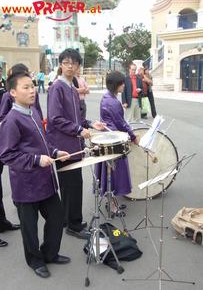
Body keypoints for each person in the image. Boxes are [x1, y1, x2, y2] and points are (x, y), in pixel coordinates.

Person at [0, 71, 70, 278]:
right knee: (29, 228)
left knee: (57, 218)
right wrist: (37, 160)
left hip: (46, 181)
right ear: (12, 92)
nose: (32, 91)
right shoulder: (11, 121)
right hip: (26, 185)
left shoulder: (34, 112)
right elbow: (7, 155)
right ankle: (35, 260)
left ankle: (50, 253)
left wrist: (55, 152)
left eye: (32, 86)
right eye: (26, 87)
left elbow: (44, 142)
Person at [46, 48, 106, 240]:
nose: (70, 66)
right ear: (60, 65)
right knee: (71, 186)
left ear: (78, 66)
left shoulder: (72, 87)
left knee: (72, 185)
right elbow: (55, 119)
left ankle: (68, 218)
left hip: (74, 145)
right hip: (65, 146)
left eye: (74, 63)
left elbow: (77, 117)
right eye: (66, 62)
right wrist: (79, 130)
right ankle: (73, 225)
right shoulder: (58, 87)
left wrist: (89, 124)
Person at [94, 71, 140, 215]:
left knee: (111, 172)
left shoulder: (108, 97)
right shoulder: (112, 101)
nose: (123, 85)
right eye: (121, 83)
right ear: (115, 84)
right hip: (112, 140)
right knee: (113, 174)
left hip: (109, 138)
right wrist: (133, 136)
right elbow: (121, 123)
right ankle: (112, 206)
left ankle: (111, 201)